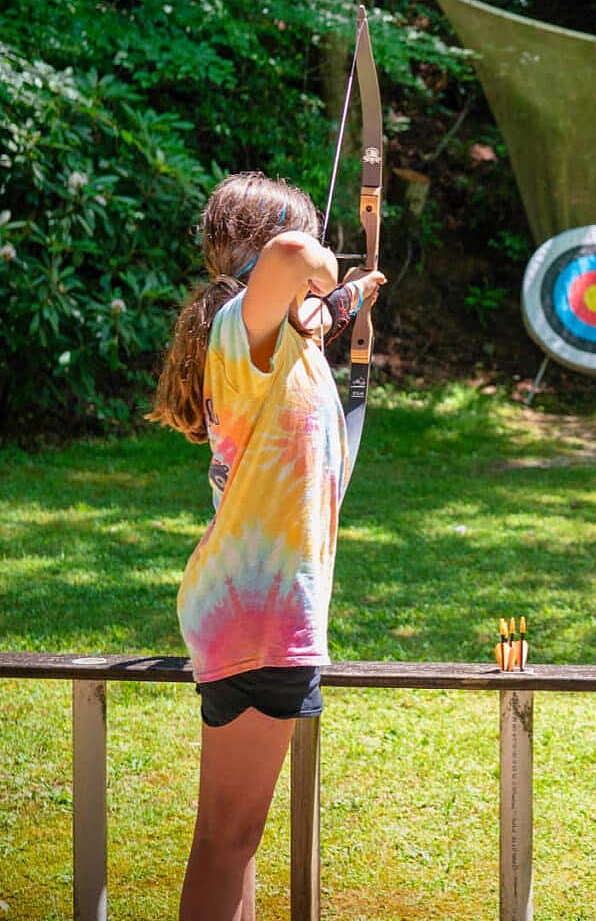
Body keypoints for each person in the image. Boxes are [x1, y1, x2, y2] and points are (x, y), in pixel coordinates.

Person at [148, 170, 386, 921]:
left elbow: (300, 302)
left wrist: (342, 302)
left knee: (235, 840)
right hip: (257, 615)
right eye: (311, 234)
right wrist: (320, 264)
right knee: (226, 838)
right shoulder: (239, 333)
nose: (317, 253)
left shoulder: (274, 344)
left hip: (260, 610)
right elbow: (289, 253)